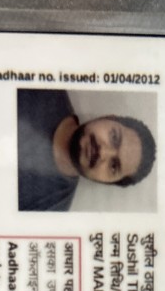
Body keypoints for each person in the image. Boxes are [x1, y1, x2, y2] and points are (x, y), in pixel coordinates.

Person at [17, 89, 156, 211]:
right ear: (107, 118)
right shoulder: (46, 87)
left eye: (114, 166)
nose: (103, 152)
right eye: (114, 137)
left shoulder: (51, 209)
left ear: (106, 182)